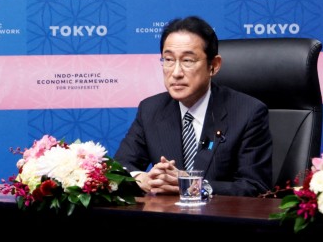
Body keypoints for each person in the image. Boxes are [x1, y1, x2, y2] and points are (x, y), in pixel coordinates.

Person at [114, 15, 273, 196]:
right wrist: (142, 179)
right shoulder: (151, 109)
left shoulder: (248, 113)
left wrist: (194, 185)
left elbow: (256, 187)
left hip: (220, 221)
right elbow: (119, 169)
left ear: (214, 65)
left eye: (188, 61)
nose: (176, 72)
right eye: (168, 59)